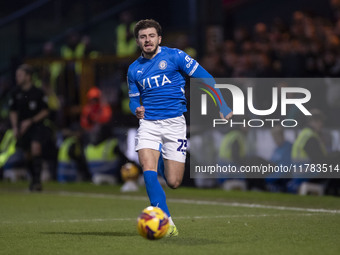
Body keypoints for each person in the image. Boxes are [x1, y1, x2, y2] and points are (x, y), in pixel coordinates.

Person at [127, 19, 233, 237]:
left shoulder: (175, 56)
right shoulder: (134, 70)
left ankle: (165, 165)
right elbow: (133, 100)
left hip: (175, 124)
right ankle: (166, 223)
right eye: (143, 37)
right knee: (148, 169)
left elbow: (205, 78)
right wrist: (136, 108)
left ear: (159, 38)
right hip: (149, 124)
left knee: (174, 181)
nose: (147, 40)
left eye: (151, 36)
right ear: (138, 41)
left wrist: (221, 104)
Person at [9, 64, 51, 191]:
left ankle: (38, 182)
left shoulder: (37, 92)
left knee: (35, 148)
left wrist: (31, 121)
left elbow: (45, 111)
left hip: (36, 126)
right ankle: (33, 180)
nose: (17, 78)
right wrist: (15, 127)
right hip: (22, 128)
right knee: (27, 154)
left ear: (28, 76)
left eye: (20, 75)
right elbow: (13, 111)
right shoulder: (15, 93)